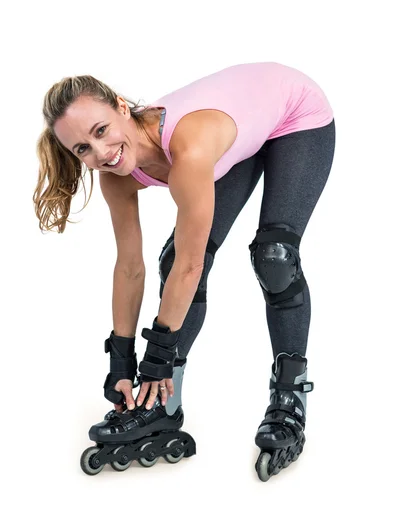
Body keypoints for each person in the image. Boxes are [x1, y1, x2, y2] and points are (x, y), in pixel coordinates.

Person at [33, 62, 335, 480]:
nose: (100, 153)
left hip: (295, 116)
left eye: (100, 130)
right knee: (172, 259)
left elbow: (194, 265)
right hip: (241, 128)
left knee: (274, 257)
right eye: (82, 149)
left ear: (121, 106)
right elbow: (129, 268)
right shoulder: (114, 177)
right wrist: (122, 363)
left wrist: (155, 358)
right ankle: (163, 404)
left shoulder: (189, 148)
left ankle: (290, 398)